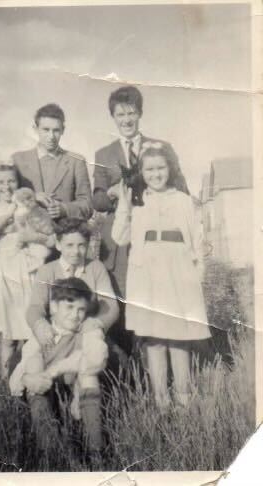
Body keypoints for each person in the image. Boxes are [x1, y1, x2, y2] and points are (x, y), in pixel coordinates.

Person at [112, 143, 212, 408]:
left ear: (170, 169)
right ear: (141, 172)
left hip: (178, 272)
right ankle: (161, 401)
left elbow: (196, 242)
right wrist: (123, 203)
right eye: (149, 169)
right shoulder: (136, 202)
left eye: (160, 168)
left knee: (179, 338)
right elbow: (119, 237)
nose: (155, 174)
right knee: (154, 339)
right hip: (146, 276)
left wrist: (197, 274)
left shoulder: (183, 200)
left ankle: (184, 399)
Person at [93, 85, 188, 354]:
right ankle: (130, 379)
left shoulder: (161, 148)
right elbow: (96, 200)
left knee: (158, 305)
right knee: (123, 307)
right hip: (119, 244)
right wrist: (113, 193)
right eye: (120, 114)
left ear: (140, 113)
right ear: (113, 117)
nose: (126, 120)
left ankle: (158, 372)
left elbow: (181, 187)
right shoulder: (103, 155)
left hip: (156, 239)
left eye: (131, 113)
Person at [21, 217, 119, 452]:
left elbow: (111, 306)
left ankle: (95, 445)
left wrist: (96, 323)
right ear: (58, 244)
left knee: (107, 362)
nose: (76, 251)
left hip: (86, 331)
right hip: (56, 333)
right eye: (69, 245)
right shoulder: (48, 269)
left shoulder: (95, 268)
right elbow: (34, 308)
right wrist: (40, 325)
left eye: (81, 245)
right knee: (31, 365)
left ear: (88, 245)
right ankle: (50, 445)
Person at [0, 162, 54, 380]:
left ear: (17, 183)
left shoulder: (30, 207)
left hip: (27, 270)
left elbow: (49, 238)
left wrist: (28, 235)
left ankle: (31, 379)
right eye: (0, 182)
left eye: (11, 181)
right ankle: (7, 381)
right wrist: (8, 214)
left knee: (30, 328)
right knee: (8, 335)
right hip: (1, 274)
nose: (6, 186)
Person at [11, 277, 108, 455]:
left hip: (77, 392)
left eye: (81, 310)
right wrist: (28, 379)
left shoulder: (87, 330)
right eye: (69, 307)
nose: (75, 315)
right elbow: (19, 370)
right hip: (46, 392)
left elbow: (97, 358)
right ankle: (50, 448)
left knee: (89, 373)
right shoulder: (44, 334)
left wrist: (56, 371)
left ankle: (96, 450)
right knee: (33, 363)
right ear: (54, 307)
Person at [12, 103, 93, 222]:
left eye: (56, 130)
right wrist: (32, 198)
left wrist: (64, 209)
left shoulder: (76, 161)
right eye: (45, 130)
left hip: (65, 234)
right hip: (29, 233)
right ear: (35, 129)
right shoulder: (18, 160)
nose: (51, 136)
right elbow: (6, 200)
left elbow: (87, 205)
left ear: (63, 130)